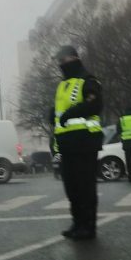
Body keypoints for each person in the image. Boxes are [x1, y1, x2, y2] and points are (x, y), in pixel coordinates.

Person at [49, 45, 103, 241]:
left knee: (85, 186)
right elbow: (59, 111)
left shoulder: (88, 80)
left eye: (63, 61)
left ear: (73, 58)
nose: (61, 65)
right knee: (71, 187)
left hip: (85, 143)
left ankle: (88, 226)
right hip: (67, 145)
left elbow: (94, 104)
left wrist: (71, 113)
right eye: (59, 62)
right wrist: (52, 114)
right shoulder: (63, 85)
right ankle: (77, 223)